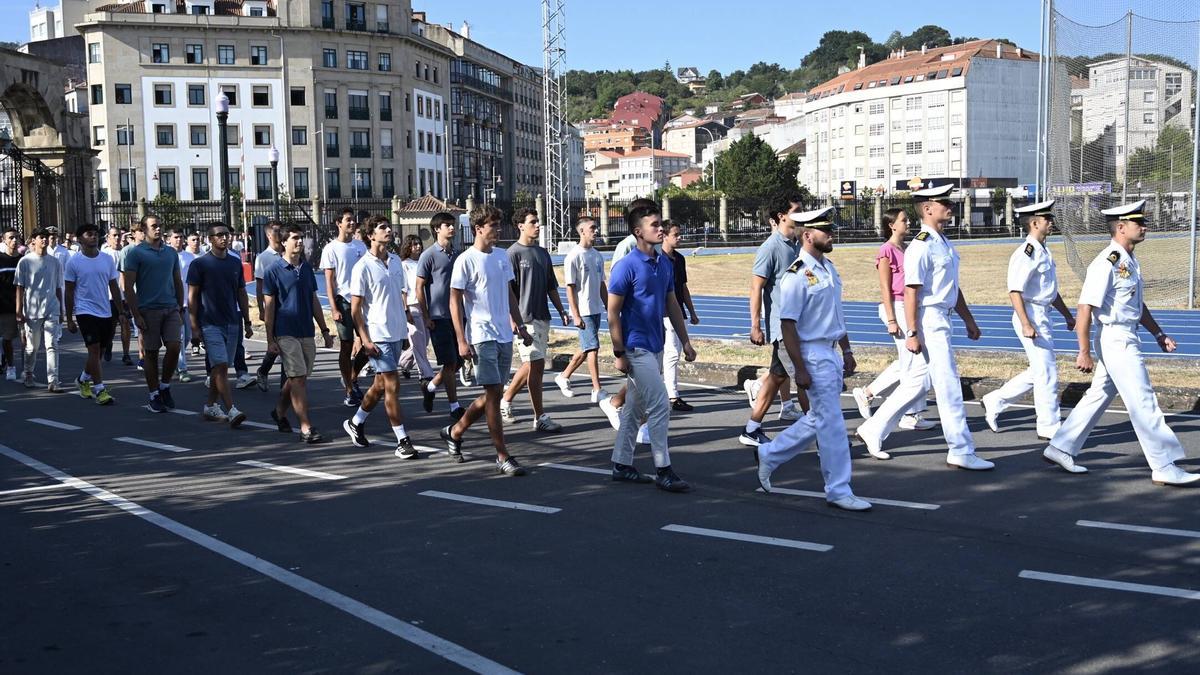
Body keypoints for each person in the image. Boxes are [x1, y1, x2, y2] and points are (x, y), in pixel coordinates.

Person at [1042, 200, 1198, 485]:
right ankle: (1164, 464)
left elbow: (1137, 305)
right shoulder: (1106, 262)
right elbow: (1085, 307)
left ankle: (1060, 446)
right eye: (1139, 223)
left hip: (1125, 335)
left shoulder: (1128, 260)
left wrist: (1158, 334)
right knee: (1143, 400)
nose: (1145, 227)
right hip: (1116, 339)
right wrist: (1083, 351)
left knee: (1099, 395)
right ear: (1122, 227)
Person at [854, 183, 992, 469]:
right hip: (929, 319)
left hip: (942, 316)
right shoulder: (920, 244)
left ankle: (872, 429)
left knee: (919, 382)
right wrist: (913, 331)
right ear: (927, 208)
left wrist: (969, 319)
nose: (950, 206)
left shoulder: (943, 242)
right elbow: (911, 291)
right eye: (944, 202)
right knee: (948, 384)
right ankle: (960, 449)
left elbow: (953, 287)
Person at [753, 207, 871, 511]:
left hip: (829, 351)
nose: (831, 235)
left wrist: (846, 350)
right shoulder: (794, 276)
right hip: (811, 353)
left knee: (820, 417)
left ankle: (770, 453)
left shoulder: (829, 269)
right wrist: (800, 369)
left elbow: (836, 313)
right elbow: (788, 324)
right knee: (832, 423)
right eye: (825, 230)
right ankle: (839, 489)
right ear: (807, 235)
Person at [607, 201, 696, 492]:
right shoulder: (626, 267)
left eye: (660, 224)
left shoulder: (663, 264)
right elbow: (612, 314)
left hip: (656, 345)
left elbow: (672, 303)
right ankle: (664, 469)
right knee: (660, 405)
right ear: (638, 231)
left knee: (634, 408)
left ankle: (621, 464)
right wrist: (619, 353)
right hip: (636, 348)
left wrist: (685, 341)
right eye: (654, 225)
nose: (660, 228)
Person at [440, 204, 535, 476]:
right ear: (478, 228)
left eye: (498, 224)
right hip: (481, 336)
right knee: (494, 393)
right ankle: (502, 454)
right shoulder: (465, 260)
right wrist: (461, 339)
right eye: (493, 225)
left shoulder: (502, 257)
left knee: (492, 394)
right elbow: (455, 302)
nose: (498, 229)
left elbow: (509, 294)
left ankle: (455, 431)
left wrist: (518, 324)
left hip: (504, 334)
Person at [981, 200, 1076, 438]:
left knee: (1039, 370)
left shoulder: (1043, 249)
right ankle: (1048, 425)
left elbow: (1050, 291)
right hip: (1030, 313)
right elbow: (1015, 290)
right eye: (1047, 219)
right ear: (1034, 223)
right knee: (1046, 371)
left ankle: (995, 400)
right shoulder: (1027, 252)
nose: (1051, 222)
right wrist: (1026, 323)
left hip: (1043, 313)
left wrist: (1067, 315)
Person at [852, 209, 935, 430]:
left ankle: (868, 393)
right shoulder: (886, 251)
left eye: (907, 219)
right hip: (896, 308)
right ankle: (909, 414)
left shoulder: (907, 249)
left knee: (911, 360)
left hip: (909, 307)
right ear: (892, 225)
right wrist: (891, 319)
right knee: (914, 361)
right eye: (903, 220)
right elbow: (885, 287)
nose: (908, 223)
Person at [342, 217, 418, 458]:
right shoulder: (362, 266)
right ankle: (402, 440)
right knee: (392, 385)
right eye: (382, 228)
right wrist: (364, 338)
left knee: (380, 384)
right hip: (377, 335)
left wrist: (405, 331)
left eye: (388, 227)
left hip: (396, 332)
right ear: (370, 235)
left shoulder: (396, 261)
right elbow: (355, 309)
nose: (388, 231)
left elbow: (399, 298)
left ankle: (355, 422)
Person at [739, 196, 807, 447]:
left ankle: (751, 428)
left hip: (800, 324)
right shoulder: (770, 248)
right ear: (781, 216)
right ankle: (822, 435)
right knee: (803, 379)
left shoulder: (797, 244)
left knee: (777, 376)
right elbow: (756, 288)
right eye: (796, 211)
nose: (801, 214)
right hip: (783, 327)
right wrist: (755, 325)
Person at [498, 208, 567, 432]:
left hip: (542, 317)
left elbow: (551, 286)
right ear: (521, 226)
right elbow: (508, 292)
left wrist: (562, 311)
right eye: (533, 222)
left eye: (538, 222)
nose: (538, 225)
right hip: (524, 320)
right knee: (536, 366)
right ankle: (540, 417)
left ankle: (506, 400)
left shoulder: (543, 253)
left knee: (532, 365)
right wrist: (513, 321)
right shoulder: (512, 254)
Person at [264, 224, 334, 443]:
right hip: (285, 332)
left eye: (301, 238)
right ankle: (306, 427)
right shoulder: (273, 270)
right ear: (284, 242)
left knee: (298, 377)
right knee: (298, 379)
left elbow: (314, 300)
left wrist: (324, 329)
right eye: (295, 238)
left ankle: (279, 411)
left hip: (306, 331)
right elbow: (269, 306)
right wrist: (270, 339)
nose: (300, 242)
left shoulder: (305, 269)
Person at [598, 197, 658, 429]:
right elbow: (617, 289)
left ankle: (615, 405)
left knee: (640, 385)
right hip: (634, 330)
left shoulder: (655, 248)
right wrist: (618, 350)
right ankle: (643, 428)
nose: (658, 226)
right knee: (655, 394)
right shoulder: (626, 248)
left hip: (653, 329)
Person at [188, 222, 253, 427]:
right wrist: (194, 326)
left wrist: (247, 320)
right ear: (210, 239)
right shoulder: (200, 264)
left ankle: (210, 406)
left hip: (232, 322)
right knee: (222, 366)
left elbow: (241, 293)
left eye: (226, 234)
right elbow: (193, 297)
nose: (224, 238)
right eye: (219, 235)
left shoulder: (235, 263)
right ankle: (232, 410)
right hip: (209, 323)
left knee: (220, 368)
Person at [122, 214, 185, 413]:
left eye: (160, 226)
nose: (158, 229)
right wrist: (136, 315)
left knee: (174, 347)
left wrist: (180, 307)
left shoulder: (170, 253)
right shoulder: (136, 253)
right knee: (151, 353)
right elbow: (129, 287)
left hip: (171, 308)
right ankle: (153, 395)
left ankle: (165, 386)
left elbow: (177, 281)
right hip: (148, 310)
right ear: (144, 229)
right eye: (154, 226)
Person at [415, 213, 465, 420]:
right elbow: (419, 287)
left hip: (458, 316)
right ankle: (454, 406)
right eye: (447, 225)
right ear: (437, 229)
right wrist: (426, 316)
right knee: (449, 363)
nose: (451, 228)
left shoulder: (458, 254)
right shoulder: (428, 255)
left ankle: (431, 386)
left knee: (459, 361)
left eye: (453, 225)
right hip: (439, 317)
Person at [65, 224, 122, 405]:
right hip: (84, 311)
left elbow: (114, 286)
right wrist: (69, 319)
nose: (94, 237)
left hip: (105, 311)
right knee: (94, 350)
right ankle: (99, 390)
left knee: (99, 352)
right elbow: (69, 291)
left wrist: (121, 312)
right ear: (79, 239)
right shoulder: (73, 262)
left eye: (96, 234)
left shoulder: (106, 259)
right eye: (89, 234)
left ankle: (83, 380)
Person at [556, 216, 607, 402]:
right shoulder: (574, 256)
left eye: (596, 227)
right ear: (582, 231)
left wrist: (609, 307)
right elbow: (569, 287)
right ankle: (597, 389)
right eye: (592, 228)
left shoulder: (597, 255)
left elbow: (602, 284)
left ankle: (563, 376)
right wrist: (575, 315)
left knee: (587, 348)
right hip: (583, 310)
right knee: (593, 348)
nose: (596, 231)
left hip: (595, 309)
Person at [321, 207, 369, 406]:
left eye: (353, 220)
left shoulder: (361, 247)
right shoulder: (331, 249)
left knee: (368, 344)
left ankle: (352, 376)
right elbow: (329, 281)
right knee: (347, 345)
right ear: (338, 223)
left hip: (362, 302)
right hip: (343, 301)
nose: (351, 223)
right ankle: (349, 389)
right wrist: (334, 308)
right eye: (348, 220)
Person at [14, 228, 64, 391]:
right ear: (33, 240)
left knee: (52, 344)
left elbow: (58, 287)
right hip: (32, 310)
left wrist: (61, 310)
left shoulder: (55, 261)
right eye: (41, 237)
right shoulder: (25, 262)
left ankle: (53, 380)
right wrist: (19, 311)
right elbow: (20, 288)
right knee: (32, 347)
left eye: (47, 237)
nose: (45, 240)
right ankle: (28, 373)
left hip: (52, 308)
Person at [660, 219, 700, 411]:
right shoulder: (658, 258)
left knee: (671, 354)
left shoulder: (680, 259)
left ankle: (670, 394)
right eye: (676, 234)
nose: (680, 237)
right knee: (671, 355)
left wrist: (692, 311)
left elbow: (683, 287)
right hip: (663, 312)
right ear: (664, 236)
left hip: (678, 311)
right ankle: (672, 396)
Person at [397, 234, 435, 384]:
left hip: (426, 305)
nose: (418, 247)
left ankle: (404, 362)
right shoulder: (404, 264)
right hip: (413, 305)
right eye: (414, 244)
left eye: (419, 244)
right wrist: (406, 310)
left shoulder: (423, 262)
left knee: (423, 342)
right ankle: (425, 374)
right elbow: (403, 289)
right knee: (418, 342)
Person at [253, 220, 286, 392]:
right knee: (276, 346)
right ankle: (263, 370)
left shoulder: (288, 253)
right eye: (276, 231)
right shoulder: (263, 258)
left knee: (287, 348)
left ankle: (286, 389)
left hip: (289, 308)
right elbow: (260, 286)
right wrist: (262, 309)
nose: (280, 234)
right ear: (268, 235)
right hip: (274, 308)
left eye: (281, 231)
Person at [100, 226, 133, 364]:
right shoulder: (104, 254)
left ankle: (126, 354)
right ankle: (108, 344)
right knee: (110, 328)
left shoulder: (127, 252)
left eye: (119, 235)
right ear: (108, 238)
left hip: (125, 296)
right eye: (114, 235)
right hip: (109, 297)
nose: (117, 238)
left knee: (125, 324)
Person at [171, 229, 199, 382]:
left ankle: (175, 360)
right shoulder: (167, 256)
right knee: (180, 336)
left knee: (188, 336)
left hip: (189, 302)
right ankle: (182, 368)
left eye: (181, 237)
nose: (179, 240)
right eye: (176, 237)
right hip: (174, 304)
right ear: (169, 239)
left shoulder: (190, 258)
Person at [0, 227, 21, 380]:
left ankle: (27, 370)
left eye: (16, 237)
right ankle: (10, 366)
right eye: (11, 238)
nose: (14, 240)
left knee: (27, 341)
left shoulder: (23, 260)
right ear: (4, 240)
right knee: (7, 339)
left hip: (21, 306)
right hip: (4, 306)